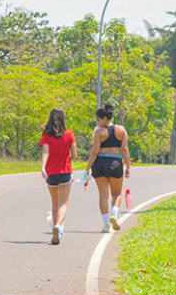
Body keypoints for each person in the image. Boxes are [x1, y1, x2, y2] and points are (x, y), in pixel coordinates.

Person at [83, 104, 131, 233]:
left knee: (103, 196)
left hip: (99, 163)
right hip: (115, 162)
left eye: (99, 119)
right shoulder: (121, 130)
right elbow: (125, 149)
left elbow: (94, 152)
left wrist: (87, 169)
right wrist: (128, 167)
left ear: (104, 118)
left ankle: (106, 225)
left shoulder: (99, 131)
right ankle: (114, 215)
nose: (98, 122)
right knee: (116, 194)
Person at [39, 109, 76, 245]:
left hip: (51, 173)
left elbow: (46, 153)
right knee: (64, 203)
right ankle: (58, 226)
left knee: (55, 202)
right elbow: (74, 154)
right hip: (65, 171)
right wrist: (66, 159)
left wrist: (43, 167)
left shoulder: (46, 136)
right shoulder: (69, 135)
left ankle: (57, 229)